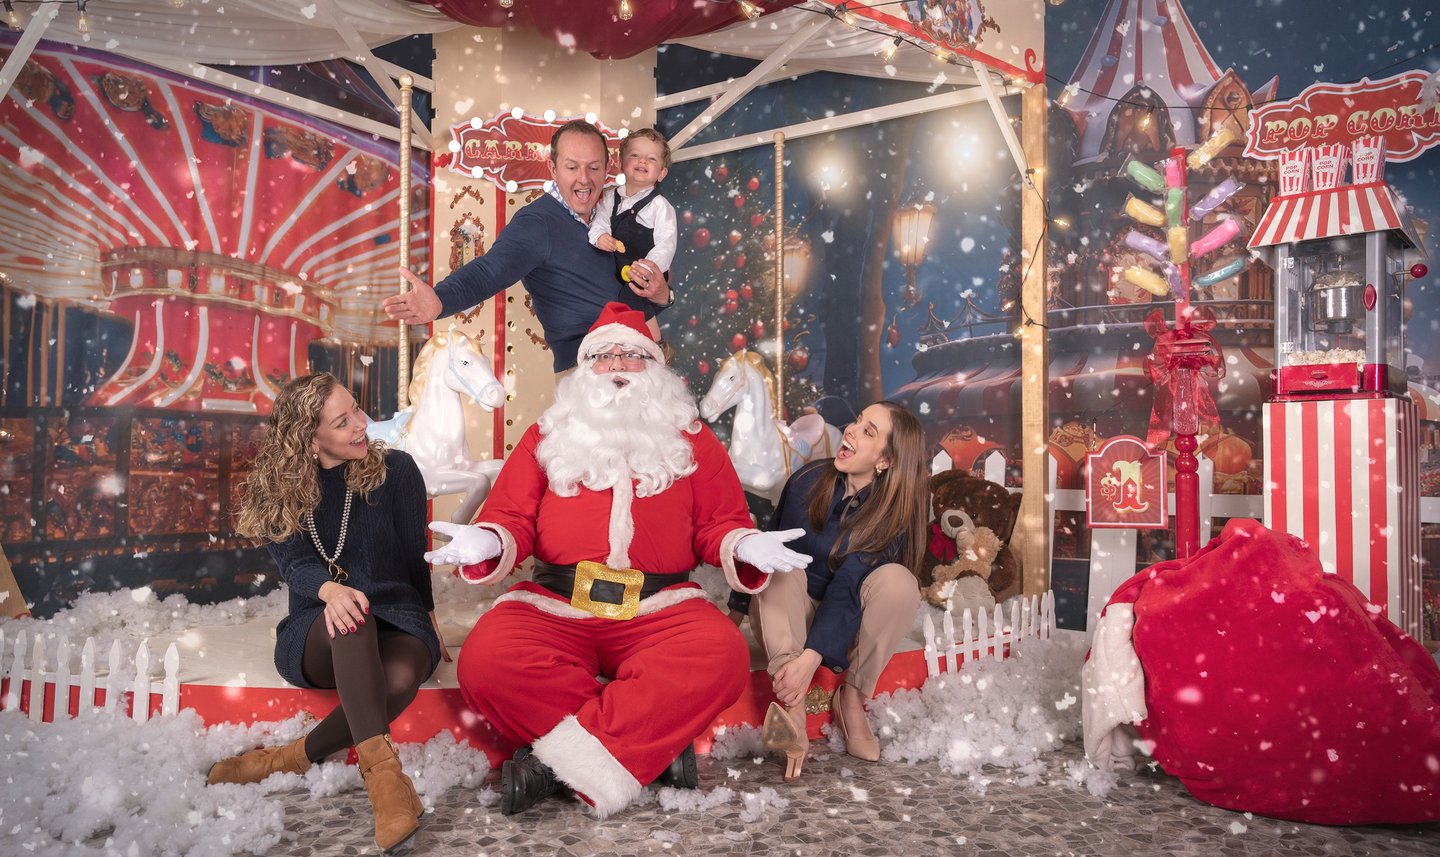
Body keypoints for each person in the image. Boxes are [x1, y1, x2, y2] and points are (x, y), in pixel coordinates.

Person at [423, 302, 811, 817]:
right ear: (585, 369)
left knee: (721, 654)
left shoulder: (693, 439)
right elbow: (512, 514)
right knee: (487, 661)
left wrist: (743, 544)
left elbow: (719, 523)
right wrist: (490, 539)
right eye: (603, 356)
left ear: (653, 366)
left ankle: (550, 766)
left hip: (663, 609)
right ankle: (647, 751)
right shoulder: (547, 433)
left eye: (630, 355)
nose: (617, 366)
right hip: (555, 604)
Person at [211, 373, 444, 854]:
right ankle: (387, 789)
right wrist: (330, 589)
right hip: (319, 624)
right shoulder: (281, 485)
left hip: (398, 615)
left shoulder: (397, 471)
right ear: (309, 438)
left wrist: (429, 620)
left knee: (399, 679)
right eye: (343, 422)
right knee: (349, 612)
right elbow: (294, 564)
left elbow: (414, 555)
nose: (362, 425)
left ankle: (290, 759)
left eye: (356, 409)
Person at [383, 120, 674, 373]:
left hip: (637, 364)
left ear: (607, 169)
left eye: (594, 168)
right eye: (572, 167)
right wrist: (440, 300)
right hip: (588, 371)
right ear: (553, 168)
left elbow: (629, 294)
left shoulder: (612, 213)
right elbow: (489, 271)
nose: (584, 178)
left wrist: (663, 296)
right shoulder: (538, 224)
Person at [749, 401, 927, 781]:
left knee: (899, 583)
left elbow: (848, 586)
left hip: (847, 620)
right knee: (780, 564)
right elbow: (767, 542)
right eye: (857, 421)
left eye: (868, 432)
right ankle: (792, 705)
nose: (850, 430)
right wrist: (734, 614)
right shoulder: (805, 480)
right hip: (785, 603)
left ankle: (852, 698)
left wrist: (812, 658)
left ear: (887, 460)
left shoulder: (893, 515)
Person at [588, 127, 677, 342]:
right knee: (613, 298)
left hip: (646, 268)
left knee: (632, 294)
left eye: (651, 159)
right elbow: (599, 220)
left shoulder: (660, 206)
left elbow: (666, 243)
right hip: (619, 267)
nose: (642, 161)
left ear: (662, 173)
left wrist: (648, 269)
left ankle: (653, 340)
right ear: (621, 162)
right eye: (635, 155)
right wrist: (600, 236)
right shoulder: (610, 198)